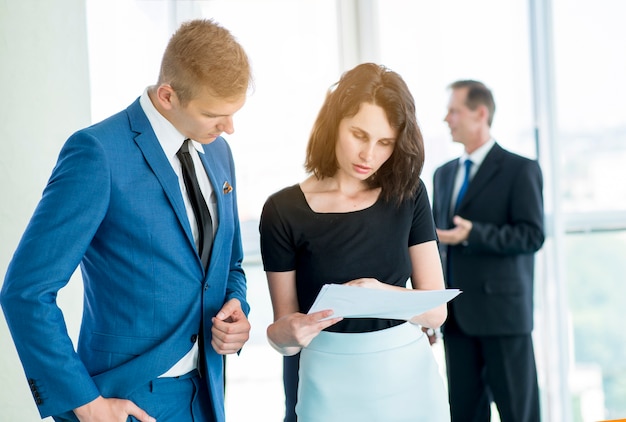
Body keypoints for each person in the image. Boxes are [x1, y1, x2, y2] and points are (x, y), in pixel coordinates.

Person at [0, 19, 251, 422]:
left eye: (233, 114)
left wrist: (237, 308)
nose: (229, 129)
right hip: (124, 403)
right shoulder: (97, 153)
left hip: (207, 397)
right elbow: (26, 291)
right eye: (214, 115)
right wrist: (86, 404)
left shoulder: (218, 153)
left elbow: (230, 263)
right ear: (168, 96)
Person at [259, 63, 451, 422]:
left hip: (408, 378)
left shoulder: (409, 194)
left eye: (385, 143)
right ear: (333, 123)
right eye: (359, 135)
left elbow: (435, 311)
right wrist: (290, 332)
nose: (369, 155)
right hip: (326, 378)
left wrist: (377, 292)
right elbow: (281, 332)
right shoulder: (282, 210)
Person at [431, 80, 544, 422]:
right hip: (457, 320)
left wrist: (473, 234)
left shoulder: (519, 169)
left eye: (454, 111)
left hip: (504, 319)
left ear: (480, 113)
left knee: (519, 414)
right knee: (465, 414)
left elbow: (532, 235)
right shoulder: (442, 175)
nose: (446, 118)